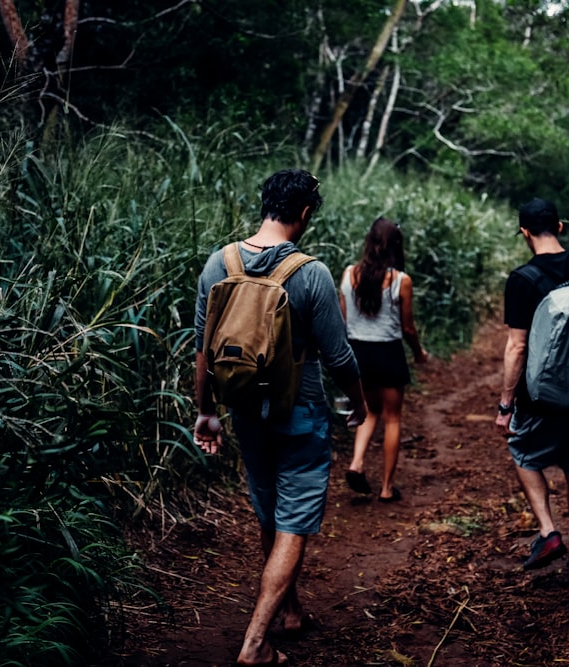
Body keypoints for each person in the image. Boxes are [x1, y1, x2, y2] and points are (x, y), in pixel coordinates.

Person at [192, 168, 368, 666]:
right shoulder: (309, 272)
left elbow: (202, 350)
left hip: (245, 409)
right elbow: (338, 357)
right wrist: (359, 402)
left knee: (271, 511)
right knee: (293, 524)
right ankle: (254, 643)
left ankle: (290, 612)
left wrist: (207, 412)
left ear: (265, 203)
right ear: (305, 213)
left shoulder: (218, 263)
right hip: (302, 411)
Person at [494, 197, 569, 589]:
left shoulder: (523, 279)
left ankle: (549, 532)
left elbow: (517, 347)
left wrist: (505, 404)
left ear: (525, 233)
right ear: (560, 226)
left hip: (540, 395)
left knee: (523, 453)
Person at [339, 217, 429, 503]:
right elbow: (407, 328)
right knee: (392, 419)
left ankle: (356, 463)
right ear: (397, 246)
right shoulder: (401, 281)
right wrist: (418, 353)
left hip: (357, 352)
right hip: (388, 353)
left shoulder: (349, 274)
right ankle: (387, 489)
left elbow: (343, 320)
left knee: (367, 410)